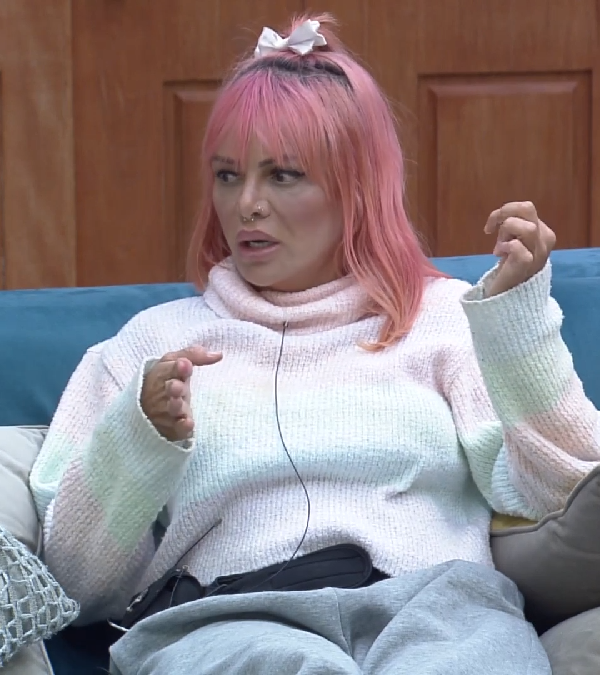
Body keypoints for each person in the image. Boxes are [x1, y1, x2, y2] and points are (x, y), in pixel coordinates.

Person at [30, 13, 600, 675]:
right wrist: (139, 438)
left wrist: (517, 325)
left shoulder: (447, 318)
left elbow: (564, 490)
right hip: (229, 618)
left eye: (282, 175)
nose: (246, 204)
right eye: (227, 175)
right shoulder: (152, 345)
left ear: (357, 189)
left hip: (441, 613)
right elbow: (73, 584)